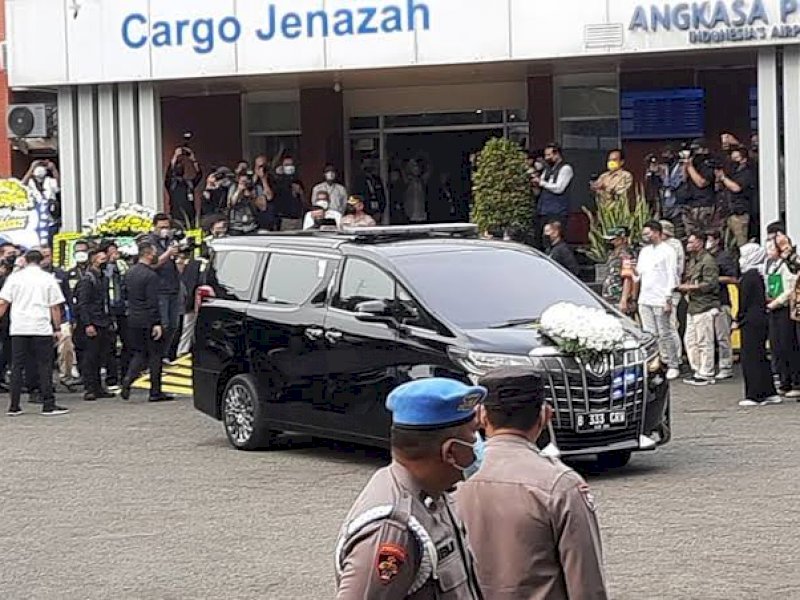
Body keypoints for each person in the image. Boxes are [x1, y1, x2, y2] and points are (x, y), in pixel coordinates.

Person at [455, 368, 608, 600]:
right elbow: (586, 584)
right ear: (545, 414)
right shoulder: (560, 484)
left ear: (481, 415)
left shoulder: (453, 478)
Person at [335, 378, 484, 599]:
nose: (479, 444)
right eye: (473, 435)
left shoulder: (436, 494)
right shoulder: (393, 530)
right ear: (450, 452)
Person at [0, 249, 68, 416]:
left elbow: (3, 302)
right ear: (41, 261)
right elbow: (55, 306)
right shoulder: (48, 278)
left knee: (17, 366)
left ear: (25, 260)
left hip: (19, 327)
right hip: (41, 327)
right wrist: (57, 328)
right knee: (44, 365)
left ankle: (14, 406)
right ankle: (48, 404)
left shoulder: (14, 278)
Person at [121, 243, 172, 403]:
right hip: (148, 319)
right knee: (155, 355)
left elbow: (125, 294)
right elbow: (152, 301)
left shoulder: (130, 273)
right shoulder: (150, 276)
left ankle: (128, 379)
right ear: (148, 254)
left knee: (139, 353)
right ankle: (155, 391)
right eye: (154, 253)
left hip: (133, 318)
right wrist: (157, 322)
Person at [633, 221, 681, 380]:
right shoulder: (644, 251)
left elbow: (672, 275)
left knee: (664, 333)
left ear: (657, 232)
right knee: (649, 334)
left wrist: (668, 298)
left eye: (648, 233)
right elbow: (638, 275)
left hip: (661, 298)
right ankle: (654, 363)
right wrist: (631, 268)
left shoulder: (668, 251)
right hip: (645, 297)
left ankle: (673, 364)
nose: (646, 236)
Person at [735, 243, 780, 406]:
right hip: (760, 319)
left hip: (750, 321)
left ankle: (755, 394)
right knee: (760, 355)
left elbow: (744, 302)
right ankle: (769, 392)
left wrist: (737, 319)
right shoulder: (758, 274)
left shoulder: (749, 276)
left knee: (750, 357)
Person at [678, 233, 720, 386]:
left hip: (705, 305)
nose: (688, 245)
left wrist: (690, 287)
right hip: (693, 305)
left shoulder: (708, 261)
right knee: (690, 340)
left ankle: (707, 372)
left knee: (704, 341)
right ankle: (697, 369)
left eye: (692, 242)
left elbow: (711, 284)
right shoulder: (693, 260)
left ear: (700, 242)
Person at [74, 248, 114, 401]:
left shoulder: (103, 277)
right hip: (92, 322)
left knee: (99, 356)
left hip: (103, 321)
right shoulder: (87, 280)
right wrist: (88, 324)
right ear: (93, 260)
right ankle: (90, 388)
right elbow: (83, 304)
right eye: (101, 259)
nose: (104, 262)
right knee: (90, 357)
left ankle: (98, 387)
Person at [765, 241, 800, 398]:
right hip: (773, 308)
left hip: (784, 308)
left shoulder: (787, 266)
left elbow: (789, 289)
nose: (768, 251)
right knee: (776, 346)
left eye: (771, 248)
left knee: (788, 346)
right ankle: (784, 381)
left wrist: (775, 303)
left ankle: (795, 382)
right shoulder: (770, 265)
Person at [41, 245, 78, 389]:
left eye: (47, 255)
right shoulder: (34, 276)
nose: (45, 259)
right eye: (42, 256)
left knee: (67, 346)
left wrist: (72, 318)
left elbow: (68, 297)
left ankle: (66, 376)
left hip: (61, 317)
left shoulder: (60, 274)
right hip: (41, 318)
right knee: (44, 351)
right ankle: (45, 380)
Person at [146, 214, 182, 361]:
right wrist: (168, 253)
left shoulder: (171, 240)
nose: (164, 230)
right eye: (161, 227)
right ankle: (156, 356)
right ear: (154, 227)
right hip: (159, 289)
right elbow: (152, 264)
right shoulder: (149, 242)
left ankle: (165, 354)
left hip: (174, 287)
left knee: (174, 325)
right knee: (163, 324)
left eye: (167, 227)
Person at [704, 231, 738, 380]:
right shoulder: (703, 257)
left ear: (717, 240)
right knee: (706, 337)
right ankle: (708, 366)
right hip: (704, 302)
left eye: (709, 239)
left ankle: (726, 366)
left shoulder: (724, 257)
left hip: (721, 301)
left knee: (723, 337)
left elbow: (733, 278)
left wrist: (714, 279)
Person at [533, 143, 573, 248]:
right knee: (542, 240)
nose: (546, 158)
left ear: (557, 154)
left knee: (554, 240)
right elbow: (541, 186)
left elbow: (559, 188)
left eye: (549, 155)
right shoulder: (547, 170)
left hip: (557, 212)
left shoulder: (565, 168)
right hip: (543, 210)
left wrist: (541, 182)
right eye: (545, 155)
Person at [717, 146, 755, 247]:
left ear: (744, 159)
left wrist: (723, 178)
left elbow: (736, 188)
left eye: (737, 158)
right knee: (727, 244)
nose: (734, 161)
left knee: (741, 243)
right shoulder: (733, 172)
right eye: (732, 159)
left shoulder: (747, 172)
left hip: (740, 214)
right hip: (729, 212)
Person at [680, 139, 716, 237]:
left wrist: (690, 167)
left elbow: (701, 183)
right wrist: (686, 164)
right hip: (691, 204)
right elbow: (683, 178)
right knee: (691, 235)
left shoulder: (708, 164)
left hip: (704, 204)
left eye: (697, 149)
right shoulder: (694, 163)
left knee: (706, 234)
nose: (695, 153)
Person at [177, 249, 209, 357]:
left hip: (188, 303)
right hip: (191, 303)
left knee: (186, 327)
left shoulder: (191, 266)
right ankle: (182, 350)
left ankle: (182, 350)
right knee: (187, 327)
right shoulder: (198, 266)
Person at [23, 159, 60, 245]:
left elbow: (59, 185)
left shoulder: (49, 180)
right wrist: (32, 168)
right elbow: (22, 186)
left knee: (50, 241)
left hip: (50, 217)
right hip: (36, 217)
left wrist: (53, 169)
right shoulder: (30, 182)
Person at [601, 226, 636, 316]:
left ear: (622, 239)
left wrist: (624, 300)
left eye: (613, 239)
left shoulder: (626, 255)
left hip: (619, 296)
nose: (611, 242)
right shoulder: (612, 253)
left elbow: (628, 278)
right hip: (609, 295)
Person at [165, 145, 203, 225]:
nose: (180, 168)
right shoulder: (171, 183)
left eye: (181, 167)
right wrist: (175, 156)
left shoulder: (189, 183)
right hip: (177, 217)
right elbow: (169, 172)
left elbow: (199, 175)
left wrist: (193, 160)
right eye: (178, 166)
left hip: (191, 217)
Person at [273, 156, 306, 231]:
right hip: (285, 219)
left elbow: (304, 201)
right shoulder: (278, 182)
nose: (289, 167)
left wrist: (300, 192)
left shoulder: (298, 181)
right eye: (287, 165)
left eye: (291, 164)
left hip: (298, 218)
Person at [352, 156, 387, 220]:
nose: (369, 165)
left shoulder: (377, 179)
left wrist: (380, 211)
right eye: (366, 163)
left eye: (370, 163)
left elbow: (382, 196)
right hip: (364, 212)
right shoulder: (358, 180)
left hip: (377, 211)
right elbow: (355, 197)